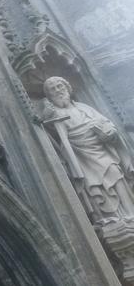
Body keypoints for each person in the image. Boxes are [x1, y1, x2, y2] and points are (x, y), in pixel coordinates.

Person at [42, 76, 134, 220]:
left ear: (67, 87)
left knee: (116, 173)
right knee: (94, 187)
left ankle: (130, 213)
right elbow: (50, 130)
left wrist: (110, 131)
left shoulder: (84, 107)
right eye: (53, 89)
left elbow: (107, 124)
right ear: (49, 96)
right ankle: (111, 217)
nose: (58, 91)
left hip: (101, 149)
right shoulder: (56, 114)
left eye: (60, 86)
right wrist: (46, 116)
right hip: (81, 156)